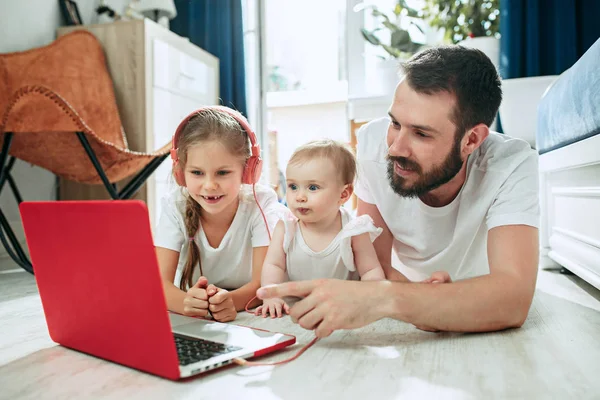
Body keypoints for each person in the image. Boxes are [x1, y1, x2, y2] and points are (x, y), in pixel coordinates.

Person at [257, 45, 540, 337]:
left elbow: (512, 300)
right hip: (408, 292)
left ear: (472, 140)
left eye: (421, 133)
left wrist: (389, 299)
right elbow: (375, 262)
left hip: (470, 312)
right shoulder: (372, 144)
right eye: (395, 123)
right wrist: (426, 303)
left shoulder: (512, 164)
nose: (394, 148)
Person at [154, 106, 286, 322]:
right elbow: (159, 284)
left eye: (223, 173)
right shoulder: (174, 205)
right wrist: (186, 303)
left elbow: (264, 284)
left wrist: (230, 302)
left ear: (248, 171)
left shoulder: (260, 204)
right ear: (180, 174)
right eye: (197, 173)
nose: (209, 185)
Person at [255, 140, 386, 318]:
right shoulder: (286, 227)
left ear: (343, 194)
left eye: (313, 187)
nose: (299, 196)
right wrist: (272, 297)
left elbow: (371, 271)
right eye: (293, 186)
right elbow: (274, 265)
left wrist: (370, 300)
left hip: (341, 308)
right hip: (295, 306)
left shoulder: (353, 231)